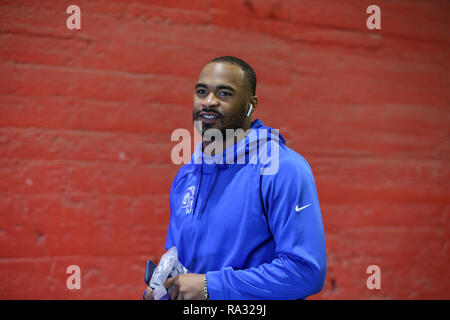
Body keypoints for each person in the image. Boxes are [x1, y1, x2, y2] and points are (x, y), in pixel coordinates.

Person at [144, 56, 326, 300]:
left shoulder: (283, 168)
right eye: (201, 91)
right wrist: (164, 291)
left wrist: (211, 287)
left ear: (251, 104)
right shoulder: (186, 175)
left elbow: (306, 272)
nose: (208, 102)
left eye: (224, 94)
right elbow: (184, 269)